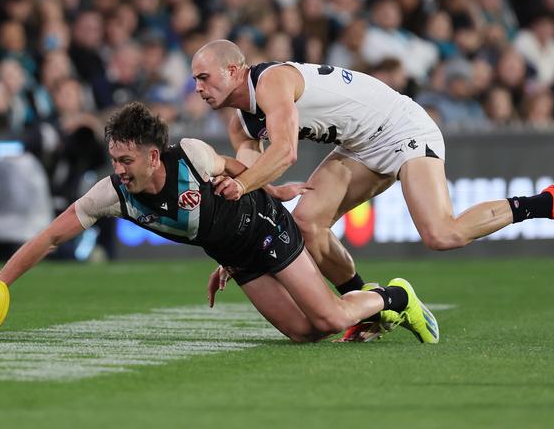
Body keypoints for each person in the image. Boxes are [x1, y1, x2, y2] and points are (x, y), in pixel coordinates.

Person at [191, 39, 554, 341]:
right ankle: (370, 305)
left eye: (205, 77)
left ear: (235, 71)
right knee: (306, 223)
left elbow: (283, 153)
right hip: (359, 146)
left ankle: (544, 202)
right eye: (195, 80)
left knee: (443, 234)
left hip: (401, 128)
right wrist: (232, 253)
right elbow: (253, 189)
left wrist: (241, 183)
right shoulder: (241, 126)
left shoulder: (271, 82)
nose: (198, 88)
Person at [0, 101, 439, 344]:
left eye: (126, 160)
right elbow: (51, 236)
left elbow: (234, 167)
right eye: (113, 159)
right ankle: (376, 302)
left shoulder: (190, 155)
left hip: (264, 228)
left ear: (152, 155)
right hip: (235, 256)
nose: (119, 169)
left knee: (327, 319)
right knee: (304, 334)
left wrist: (274, 191)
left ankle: (394, 294)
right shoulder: (111, 195)